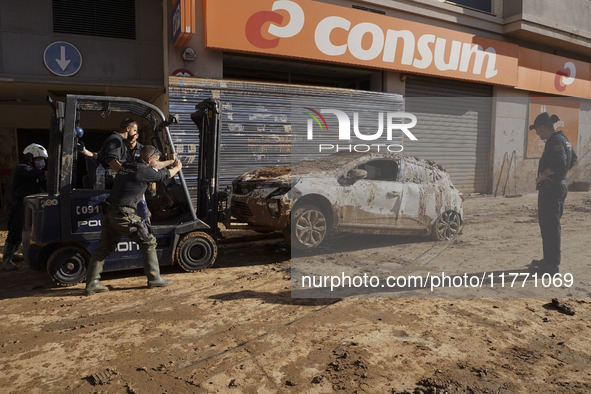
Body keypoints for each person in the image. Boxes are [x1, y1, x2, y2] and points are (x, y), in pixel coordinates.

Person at [85, 145, 182, 295]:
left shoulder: (129, 165)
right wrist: (177, 167)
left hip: (109, 211)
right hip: (122, 214)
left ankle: (91, 284)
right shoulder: (144, 171)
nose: (156, 162)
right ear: (149, 159)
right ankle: (154, 278)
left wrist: (169, 160)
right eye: (155, 160)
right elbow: (166, 175)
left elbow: (156, 166)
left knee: (103, 249)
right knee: (148, 241)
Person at [529, 112, 578, 274]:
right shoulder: (563, 139)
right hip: (557, 187)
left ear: (543, 127)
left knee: (550, 227)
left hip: (552, 190)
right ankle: (548, 260)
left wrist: (543, 176)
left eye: (537, 130)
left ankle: (552, 266)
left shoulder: (554, 141)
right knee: (549, 226)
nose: (537, 134)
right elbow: (573, 159)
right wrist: (560, 175)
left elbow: (559, 163)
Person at [3, 144, 47, 271]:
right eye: (39, 158)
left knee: (24, 230)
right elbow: (37, 174)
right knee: (15, 231)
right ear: (30, 158)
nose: (41, 161)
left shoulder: (31, 170)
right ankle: (7, 260)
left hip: (27, 206)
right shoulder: (22, 168)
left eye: (42, 159)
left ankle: (15, 254)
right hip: (17, 205)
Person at [97, 118, 138, 188]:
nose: (136, 133)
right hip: (113, 179)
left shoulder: (123, 142)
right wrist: (127, 175)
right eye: (134, 130)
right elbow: (112, 161)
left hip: (117, 177)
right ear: (128, 128)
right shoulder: (116, 140)